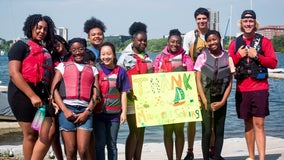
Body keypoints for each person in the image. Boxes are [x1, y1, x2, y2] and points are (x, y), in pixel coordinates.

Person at [228, 10, 278, 160]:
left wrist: (257, 56)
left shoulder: (264, 42)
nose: (248, 24)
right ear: (241, 23)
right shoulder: (234, 43)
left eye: (251, 21)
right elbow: (229, 64)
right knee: (247, 124)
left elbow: (273, 63)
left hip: (260, 88)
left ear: (255, 23)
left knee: (259, 124)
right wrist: (239, 55)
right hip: (242, 89)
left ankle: (261, 157)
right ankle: (251, 156)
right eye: (245, 21)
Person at [7, 14, 56, 160]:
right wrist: (32, 96)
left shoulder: (45, 50)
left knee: (47, 131)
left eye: (45, 29)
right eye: (39, 28)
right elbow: (14, 73)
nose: (42, 31)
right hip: (22, 95)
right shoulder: (20, 46)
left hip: (41, 96)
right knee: (30, 134)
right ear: (31, 27)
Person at [50, 38, 99, 160]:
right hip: (67, 109)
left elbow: (96, 94)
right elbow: (54, 89)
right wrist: (65, 110)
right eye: (74, 50)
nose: (78, 52)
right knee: (70, 150)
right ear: (70, 51)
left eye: (81, 49)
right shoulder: (62, 66)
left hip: (85, 110)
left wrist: (87, 112)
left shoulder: (93, 69)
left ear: (85, 49)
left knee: (83, 149)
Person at [154, 29, 194, 160]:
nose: (175, 44)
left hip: (180, 100)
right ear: (168, 42)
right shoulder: (159, 58)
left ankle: (178, 158)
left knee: (179, 131)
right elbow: (154, 79)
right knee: (167, 131)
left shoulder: (186, 58)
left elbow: (191, 77)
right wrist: (158, 73)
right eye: (172, 41)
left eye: (177, 42)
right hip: (165, 100)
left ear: (181, 43)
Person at [195, 30, 234, 160]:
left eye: (214, 39)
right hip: (206, 97)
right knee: (206, 131)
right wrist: (204, 100)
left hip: (221, 98)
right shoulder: (203, 57)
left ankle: (217, 157)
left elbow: (229, 84)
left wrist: (223, 101)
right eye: (209, 40)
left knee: (219, 130)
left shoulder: (228, 57)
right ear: (206, 42)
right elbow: (198, 81)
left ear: (219, 39)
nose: (212, 42)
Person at [117, 22, 154, 160]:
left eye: (145, 40)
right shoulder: (125, 57)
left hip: (145, 101)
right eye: (140, 40)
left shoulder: (147, 57)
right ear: (133, 40)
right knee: (134, 131)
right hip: (131, 101)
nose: (143, 43)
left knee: (141, 131)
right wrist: (127, 92)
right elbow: (119, 78)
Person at [93, 42, 131, 160]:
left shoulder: (121, 71)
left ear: (114, 55)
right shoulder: (96, 70)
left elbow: (124, 92)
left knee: (112, 145)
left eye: (109, 54)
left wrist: (124, 112)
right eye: (103, 54)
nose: (106, 57)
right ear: (100, 56)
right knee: (99, 145)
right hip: (98, 114)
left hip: (114, 116)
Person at [182, 7, 211, 160]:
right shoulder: (188, 36)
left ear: (208, 19)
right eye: (199, 19)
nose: (201, 21)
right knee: (191, 117)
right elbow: (185, 58)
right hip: (193, 79)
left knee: (209, 116)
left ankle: (211, 149)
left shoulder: (213, 36)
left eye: (204, 18)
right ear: (195, 20)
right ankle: (190, 150)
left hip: (210, 79)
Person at [50, 34, 73, 160]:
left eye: (56, 41)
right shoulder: (51, 59)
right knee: (53, 134)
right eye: (51, 44)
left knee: (67, 134)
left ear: (63, 41)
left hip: (70, 98)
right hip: (54, 98)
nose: (54, 45)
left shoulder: (74, 55)